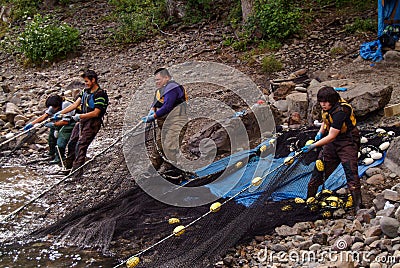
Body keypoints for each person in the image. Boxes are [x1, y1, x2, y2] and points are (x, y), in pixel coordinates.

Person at [301, 86, 362, 212]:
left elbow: (332, 136)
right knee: (320, 168)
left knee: (350, 171)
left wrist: (314, 145)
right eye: (321, 101)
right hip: (332, 143)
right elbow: (326, 120)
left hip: (347, 141)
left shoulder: (341, 111)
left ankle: (358, 205)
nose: (322, 104)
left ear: (332, 101)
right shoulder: (327, 108)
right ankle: (310, 199)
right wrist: (320, 132)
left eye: (325, 102)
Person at [56, 70, 108, 177]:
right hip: (81, 121)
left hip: (92, 123)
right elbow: (75, 105)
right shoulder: (85, 92)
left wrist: (79, 116)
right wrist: (60, 113)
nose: (85, 84)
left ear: (93, 80)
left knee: (81, 145)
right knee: (72, 142)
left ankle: (76, 173)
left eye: (87, 81)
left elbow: (96, 113)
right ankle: (68, 167)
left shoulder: (100, 94)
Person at [142, 67, 188, 174]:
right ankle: (153, 168)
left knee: (170, 145)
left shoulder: (172, 87)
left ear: (167, 78)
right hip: (163, 123)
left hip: (177, 121)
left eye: (158, 80)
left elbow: (167, 106)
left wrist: (153, 117)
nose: (156, 82)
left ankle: (171, 168)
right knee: (159, 145)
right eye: (155, 80)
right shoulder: (159, 91)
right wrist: (151, 111)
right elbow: (155, 105)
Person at [23, 94, 75, 164]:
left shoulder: (66, 105)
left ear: (58, 105)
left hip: (72, 121)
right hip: (61, 120)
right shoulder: (53, 106)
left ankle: (60, 157)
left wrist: (53, 124)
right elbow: (44, 117)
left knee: (61, 138)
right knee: (51, 137)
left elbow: (65, 122)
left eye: (54, 107)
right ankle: (52, 153)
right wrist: (32, 124)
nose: (53, 109)